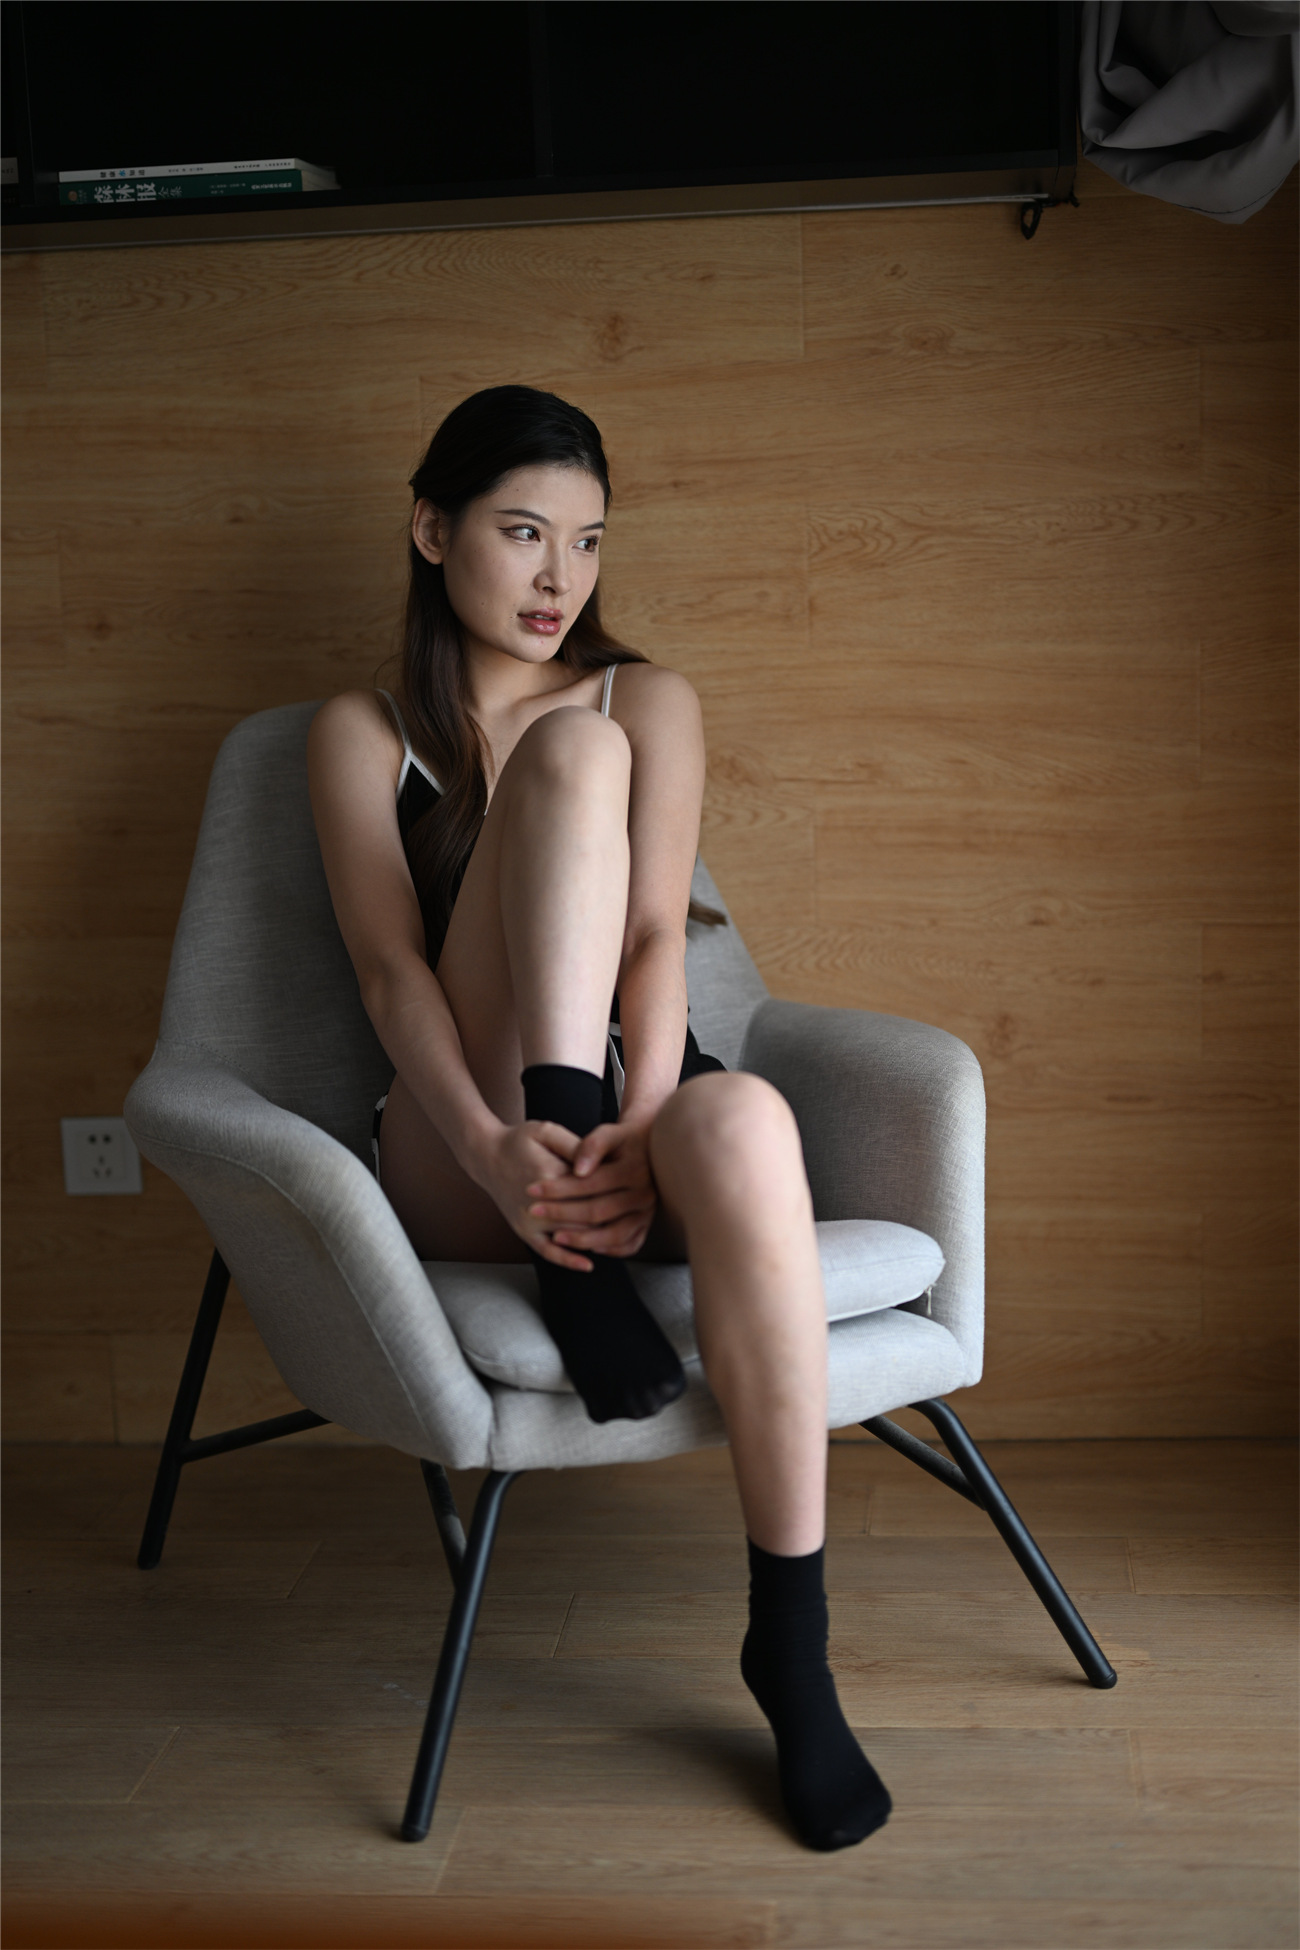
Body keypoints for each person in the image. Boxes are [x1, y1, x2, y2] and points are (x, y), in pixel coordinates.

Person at [307, 384, 891, 1852]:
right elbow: (389, 975)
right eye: (522, 532)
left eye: (586, 541)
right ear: (432, 529)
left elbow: (650, 943)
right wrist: (497, 1146)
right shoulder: (363, 731)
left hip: (620, 1093)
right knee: (569, 759)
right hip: (460, 1135)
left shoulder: (650, 698)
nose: (559, 577)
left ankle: (793, 1648)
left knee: (744, 1122)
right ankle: (569, 1245)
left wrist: (643, 1123)